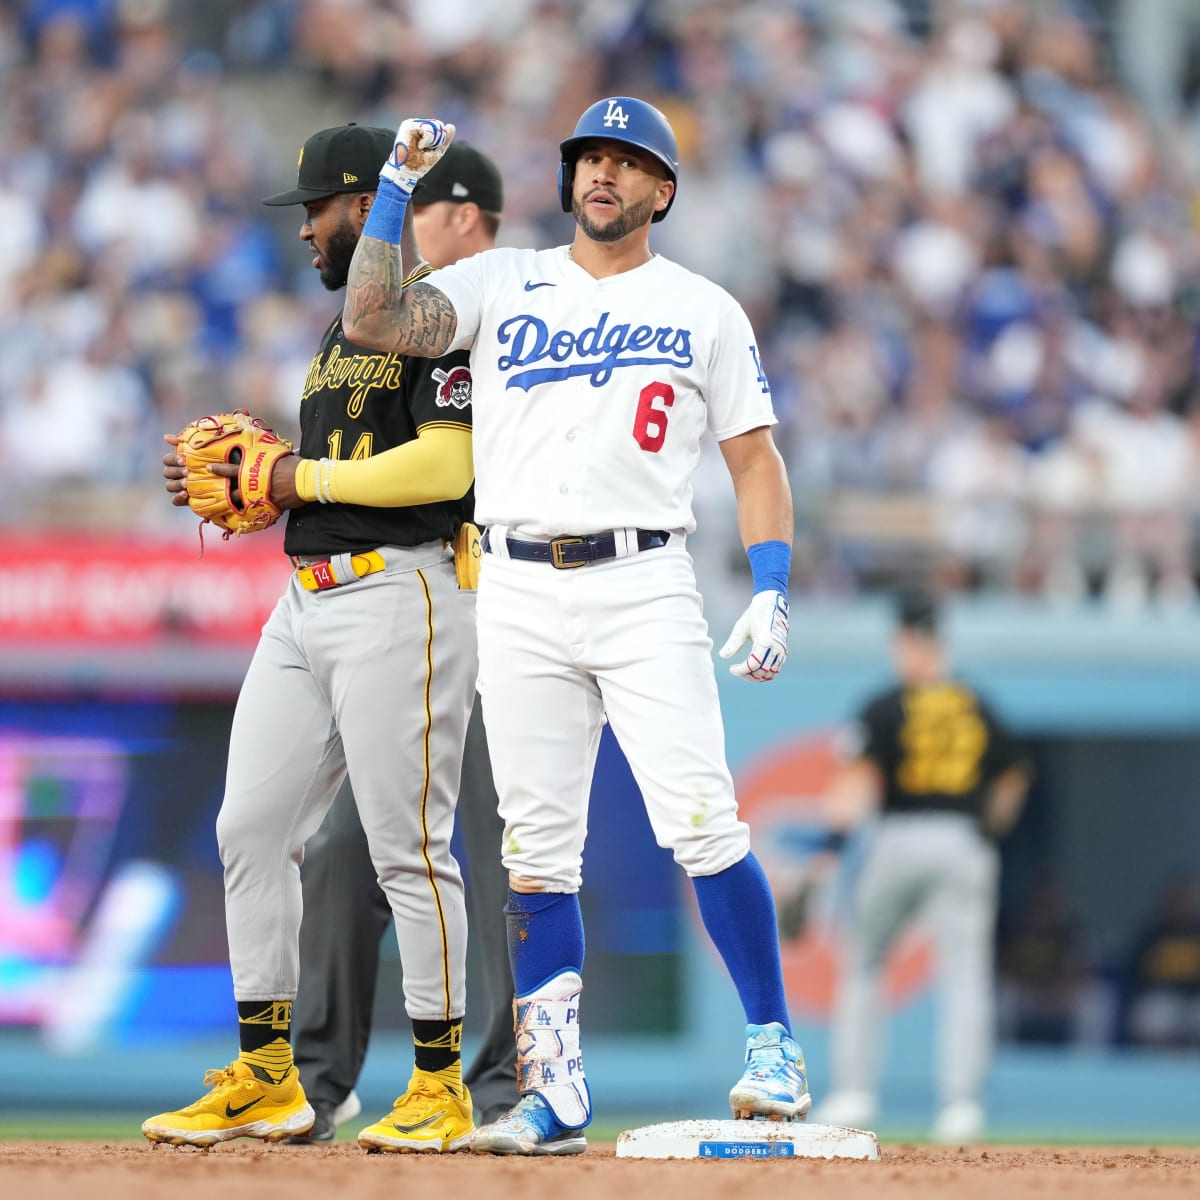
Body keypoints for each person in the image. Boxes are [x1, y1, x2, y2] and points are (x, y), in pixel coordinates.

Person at [339, 98, 810, 1156]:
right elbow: (373, 320)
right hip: (513, 583)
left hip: (643, 580)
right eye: (589, 156)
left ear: (663, 190)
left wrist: (773, 585)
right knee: (537, 854)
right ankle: (555, 1094)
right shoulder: (505, 280)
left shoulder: (704, 308)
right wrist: (398, 190)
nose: (602, 172)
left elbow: (754, 460)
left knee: (702, 820)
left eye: (626, 160)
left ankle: (774, 1044)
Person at [144, 123, 483, 1154]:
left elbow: (443, 471)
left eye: (315, 213)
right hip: (305, 602)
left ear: (360, 205)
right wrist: (271, 479)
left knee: (405, 849)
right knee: (248, 826)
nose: (304, 234)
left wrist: (296, 479)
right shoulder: (341, 337)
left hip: (402, 597)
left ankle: (438, 1085)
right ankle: (267, 1073)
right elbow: (328, 470)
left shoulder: (436, 314)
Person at [283, 142, 518, 1144]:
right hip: (441, 600)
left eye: (412, 214)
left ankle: (507, 1093)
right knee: (344, 849)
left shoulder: (502, 302)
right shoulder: (417, 314)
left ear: (461, 217)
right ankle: (319, 1083)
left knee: (509, 857)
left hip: (519, 609)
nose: (394, 242)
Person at [798, 589, 1031, 1142]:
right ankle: (962, 1106)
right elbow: (1014, 776)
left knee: (864, 962)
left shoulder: (887, 705)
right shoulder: (977, 704)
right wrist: (987, 829)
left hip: (900, 835)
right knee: (966, 975)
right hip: (965, 840)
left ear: (907, 641)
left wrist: (827, 854)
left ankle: (855, 1092)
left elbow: (853, 785)